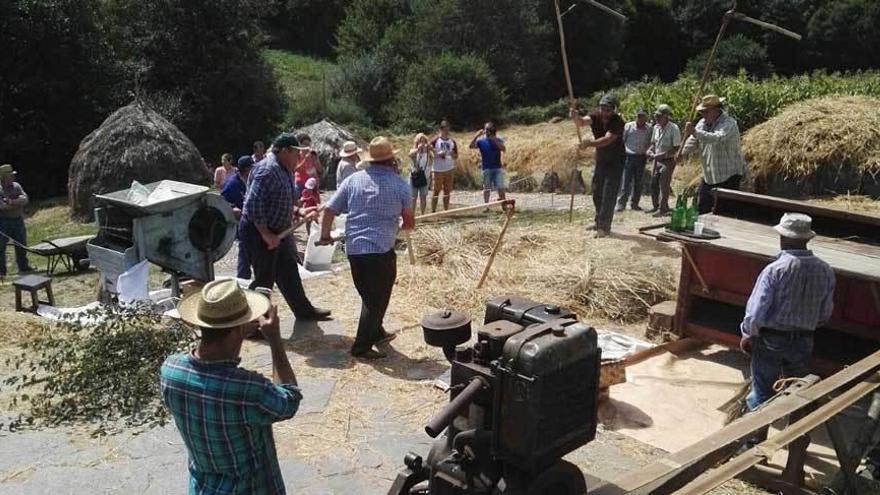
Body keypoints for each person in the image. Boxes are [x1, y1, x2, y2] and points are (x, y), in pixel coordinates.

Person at [161, 279, 301, 495]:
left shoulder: (170, 369)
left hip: (204, 487)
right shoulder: (246, 389)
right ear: (239, 329)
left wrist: (237, 329)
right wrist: (274, 340)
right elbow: (289, 400)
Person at [320, 137, 414, 359]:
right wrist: (398, 226)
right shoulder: (400, 185)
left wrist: (325, 235)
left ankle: (377, 332)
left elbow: (329, 210)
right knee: (376, 299)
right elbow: (409, 223)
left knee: (369, 295)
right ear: (391, 160)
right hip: (380, 251)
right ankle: (361, 347)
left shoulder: (353, 181)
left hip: (354, 250)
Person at [740, 213, 835, 412]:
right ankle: (797, 437)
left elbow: (756, 313)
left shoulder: (775, 270)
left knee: (762, 394)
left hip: (771, 341)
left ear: (783, 237)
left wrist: (748, 334)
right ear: (807, 239)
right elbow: (825, 313)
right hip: (804, 340)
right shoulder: (825, 270)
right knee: (797, 393)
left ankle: (753, 441)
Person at [241, 133, 330, 321]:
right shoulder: (267, 170)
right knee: (264, 278)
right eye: (296, 153)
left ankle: (304, 311)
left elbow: (281, 201)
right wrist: (265, 234)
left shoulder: (286, 169)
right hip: (258, 231)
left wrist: (299, 212)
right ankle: (255, 321)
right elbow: (253, 205)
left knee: (289, 270)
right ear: (284, 151)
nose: (300, 157)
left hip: (280, 230)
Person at [570, 94, 626, 238]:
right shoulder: (596, 115)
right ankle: (598, 221)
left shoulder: (618, 122)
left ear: (613, 109)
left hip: (615, 162)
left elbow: (607, 139)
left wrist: (590, 144)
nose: (605, 112)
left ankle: (604, 228)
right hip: (601, 159)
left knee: (609, 194)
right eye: (602, 108)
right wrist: (576, 117)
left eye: (608, 109)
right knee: (597, 191)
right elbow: (583, 122)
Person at [681, 94, 748, 214]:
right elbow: (692, 141)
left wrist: (695, 132)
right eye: (702, 112)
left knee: (724, 212)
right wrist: (681, 153)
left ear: (716, 110)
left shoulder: (729, 123)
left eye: (706, 112)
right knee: (702, 208)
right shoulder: (702, 123)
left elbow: (716, 138)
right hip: (709, 175)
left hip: (728, 176)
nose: (703, 115)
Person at [222, 156, 255, 280]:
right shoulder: (231, 185)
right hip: (241, 222)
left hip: (254, 219)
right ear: (246, 169)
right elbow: (222, 201)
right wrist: (232, 207)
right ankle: (243, 279)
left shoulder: (251, 180)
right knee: (245, 251)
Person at [646, 104, 682, 216]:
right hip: (656, 160)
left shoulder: (674, 128)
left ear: (666, 116)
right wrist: (649, 150)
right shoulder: (656, 128)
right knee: (653, 183)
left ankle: (663, 209)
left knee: (664, 184)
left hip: (668, 160)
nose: (657, 118)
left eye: (659, 116)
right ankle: (655, 206)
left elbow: (676, 148)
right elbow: (653, 143)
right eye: (656, 116)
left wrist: (663, 154)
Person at [0, 164, 33, 278]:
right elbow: (2, 206)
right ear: (4, 177)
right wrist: (16, 203)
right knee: (1, 247)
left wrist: (12, 202)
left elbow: (25, 199)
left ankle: (24, 267)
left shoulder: (16, 186)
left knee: (21, 244)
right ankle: (1, 272)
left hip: (18, 219)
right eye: (10, 175)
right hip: (3, 222)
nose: (12, 178)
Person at [616, 108, 652, 212]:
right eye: (639, 116)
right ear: (636, 116)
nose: (640, 118)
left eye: (642, 116)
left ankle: (635, 204)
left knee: (638, 182)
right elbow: (622, 140)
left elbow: (650, 142)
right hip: (629, 156)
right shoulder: (628, 126)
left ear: (646, 117)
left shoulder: (649, 129)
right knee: (625, 181)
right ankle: (621, 204)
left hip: (641, 157)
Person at [469, 122, 507, 206]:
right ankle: (486, 205)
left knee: (500, 187)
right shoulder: (481, 141)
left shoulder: (498, 140)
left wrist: (494, 140)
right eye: (487, 129)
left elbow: (503, 149)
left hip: (497, 167)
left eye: (490, 129)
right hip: (486, 168)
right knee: (486, 188)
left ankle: (504, 204)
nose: (489, 132)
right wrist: (476, 136)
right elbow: (471, 146)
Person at [429, 120, 458, 212]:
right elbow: (429, 151)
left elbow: (456, 156)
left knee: (447, 190)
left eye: (448, 129)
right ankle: (433, 211)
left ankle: (446, 210)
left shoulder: (452, 141)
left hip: (449, 168)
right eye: (444, 129)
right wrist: (438, 154)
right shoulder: (435, 140)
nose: (446, 131)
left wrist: (453, 155)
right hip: (438, 169)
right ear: (440, 129)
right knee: (436, 190)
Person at [409, 133, 433, 215]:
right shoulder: (414, 151)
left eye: (424, 141)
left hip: (425, 177)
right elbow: (410, 154)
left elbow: (433, 157)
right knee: (413, 198)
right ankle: (412, 216)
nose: (422, 143)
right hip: (414, 177)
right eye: (420, 141)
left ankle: (423, 215)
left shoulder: (428, 152)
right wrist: (418, 149)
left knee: (423, 197)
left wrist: (430, 149)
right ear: (416, 142)